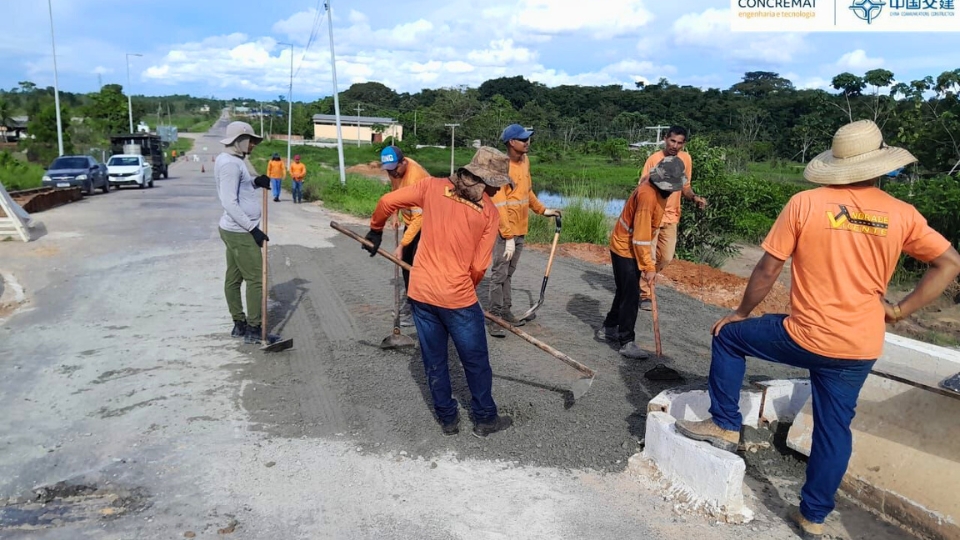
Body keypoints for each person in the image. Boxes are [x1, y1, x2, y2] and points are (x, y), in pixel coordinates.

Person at [673, 120, 960, 538]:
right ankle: (814, 515)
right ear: (879, 165)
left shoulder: (806, 203)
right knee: (833, 427)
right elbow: (950, 262)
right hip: (859, 346)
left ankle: (725, 422)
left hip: (805, 335)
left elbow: (768, 267)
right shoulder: (903, 214)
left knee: (729, 338)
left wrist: (740, 312)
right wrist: (897, 311)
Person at [363, 146, 514, 438]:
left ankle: (448, 419)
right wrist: (460, 291)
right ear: (484, 181)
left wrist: (375, 229)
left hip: (421, 292)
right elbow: (479, 267)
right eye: (496, 185)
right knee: (476, 361)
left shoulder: (432, 187)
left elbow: (386, 201)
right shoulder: (489, 213)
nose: (496, 192)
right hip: (457, 298)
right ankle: (484, 419)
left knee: (434, 358)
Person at [597, 156, 687, 359]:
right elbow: (640, 238)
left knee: (624, 291)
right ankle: (626, 341)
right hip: (625, 247)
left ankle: (610, 326)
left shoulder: (659, 190)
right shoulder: (647, 195)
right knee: (631, 295)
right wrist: (648, 266)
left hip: (630, 244)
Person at [486, 123, 560, 337]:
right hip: (504, 231)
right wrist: (507, 236)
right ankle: (493, 317)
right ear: (511, 142)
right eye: (523, 139)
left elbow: (527, 191)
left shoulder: (525, 161)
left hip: (520, 228)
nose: (528, 142)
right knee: (499, 274)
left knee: (509, 273)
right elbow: (498, 204)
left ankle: (506, 311)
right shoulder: (501, 166)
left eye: (528, 139)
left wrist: (542, 210)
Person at [215, 121, 276, 344]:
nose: (253, 145)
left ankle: (239, 325)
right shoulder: (230, 165)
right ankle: (253, 328)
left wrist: (255, 182)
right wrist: (253, 229)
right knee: (256, 279)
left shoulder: (231, 160)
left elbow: (240, 187)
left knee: (233, 278)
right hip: (240, 231)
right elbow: (229, 202)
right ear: (239, 140)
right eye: (250, 140)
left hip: (231, 229)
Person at [637, 126, 707, 310]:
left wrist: (694, 197)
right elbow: (643, 186)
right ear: (666, 139)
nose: (674, 145)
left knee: (666, 257)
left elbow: (685, 185)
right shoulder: (654, 159)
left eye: (679, 142)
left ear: (684, 144)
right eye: (672, 141)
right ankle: (644, 293)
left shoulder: (686, 159)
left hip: (671, 215)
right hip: (652, 216)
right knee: (649, 257)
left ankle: (641, 278)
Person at [380, 145, 431, 327]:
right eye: (389, 170)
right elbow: (395, 193)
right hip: (412, 220)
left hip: (428, 222)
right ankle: (412, 304)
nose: (392, 174)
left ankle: (421, 309)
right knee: (406, 265)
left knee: (417, 266)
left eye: (394, 169)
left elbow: (420, 219)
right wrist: (395, 215)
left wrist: (402, 244)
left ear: (403, 162)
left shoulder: (415, 178)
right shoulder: (394, 171)